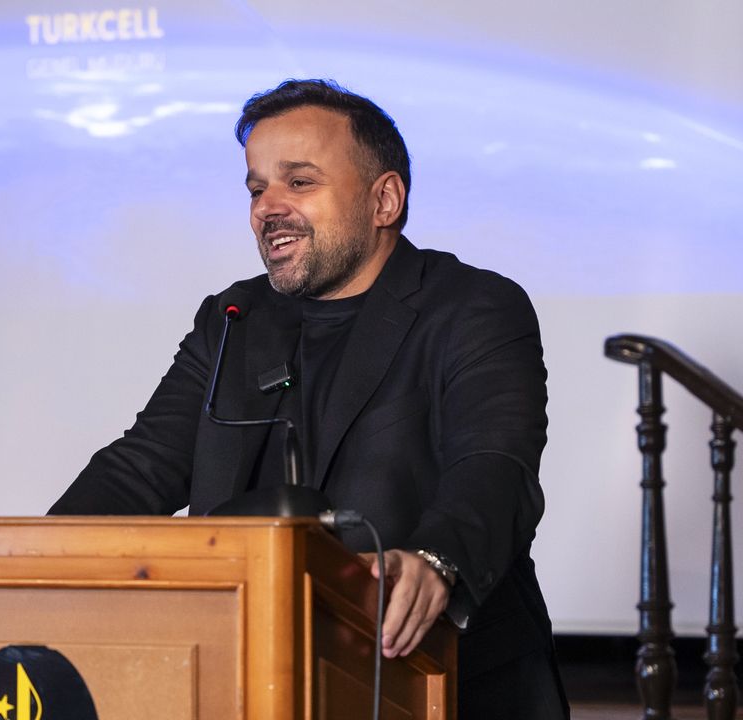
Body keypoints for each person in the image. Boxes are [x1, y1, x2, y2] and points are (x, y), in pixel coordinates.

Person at [48, 79, 570, 719]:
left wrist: (435, 561)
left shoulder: (472, 307)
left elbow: (494, 465)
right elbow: (142, 465)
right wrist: (37, 562)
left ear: (384, 200)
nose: (268, 208)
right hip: (251, 674)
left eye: (299, 182)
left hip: (443, 678)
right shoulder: (234, 318)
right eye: (256, 189)